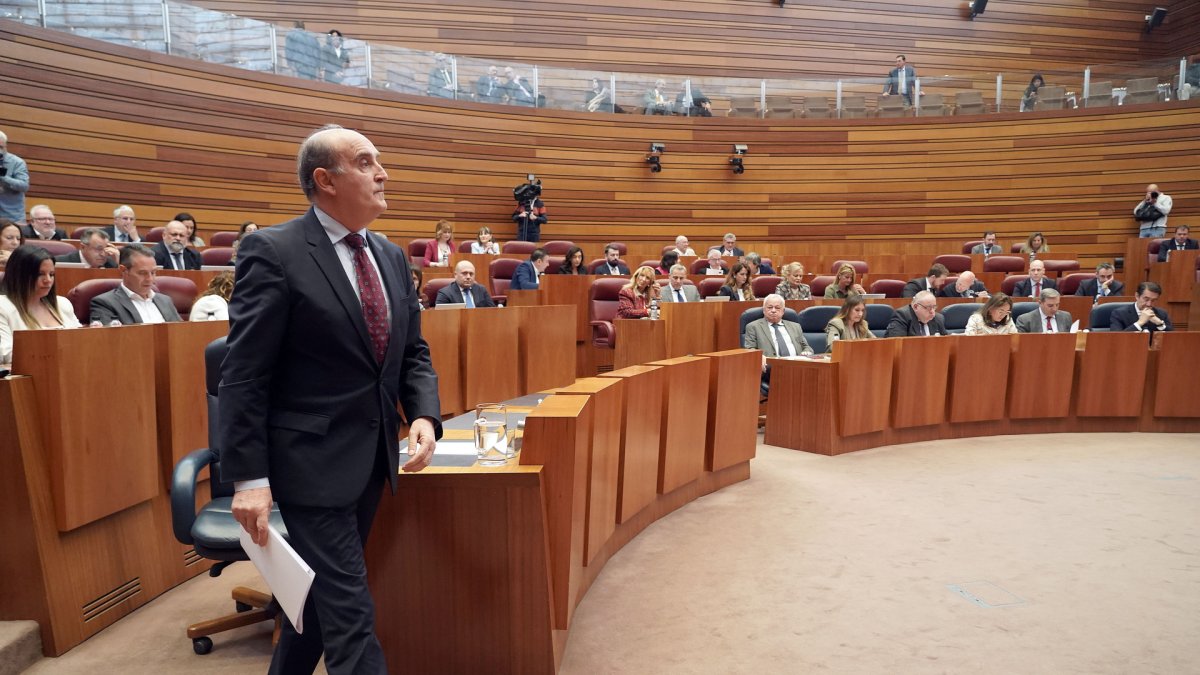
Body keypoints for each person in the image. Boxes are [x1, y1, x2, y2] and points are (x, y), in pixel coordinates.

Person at [222, 125, 440, 675]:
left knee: (321, 605)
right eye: (366, 163)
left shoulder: (389, 256)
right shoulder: (273, 250)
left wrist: (422, 413)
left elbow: (412, 350)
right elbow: (245, 375)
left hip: (370, 461)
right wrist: (248, 480)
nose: (382, 173)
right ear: (325, 180)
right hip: (308, 467)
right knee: (351, 617)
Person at [0, 245, 81, 365]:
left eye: (51, 274)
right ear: (20, 274)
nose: (48, 280)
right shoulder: (3, 306)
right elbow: (6, 355)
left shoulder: (63, 304)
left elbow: (80, 342)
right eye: (40, 274)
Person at [89, 244, 182, 324]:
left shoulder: (165, 300)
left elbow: (181, 333)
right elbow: (108, 340)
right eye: (142, 273)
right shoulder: (105, 303)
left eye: (153, 272)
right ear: (123, 270)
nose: (150, 279)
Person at [743, 294, 812, 390]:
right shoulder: (753, 326)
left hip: (797, 366)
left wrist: (807, 352)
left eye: (777, 308)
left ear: (783, 311)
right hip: (771, 368)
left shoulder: (795, 326)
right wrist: (758, 356)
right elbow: (749, 349)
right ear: (764, 310)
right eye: (770, 307)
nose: (773, 310)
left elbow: (807, 347)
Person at [0, 129, 30, 223]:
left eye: (1, 147)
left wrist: (2, 176)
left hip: (12, 217)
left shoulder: (17, 162)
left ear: (6, 146)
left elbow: (24, 186)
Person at [54, 228, 118, 268]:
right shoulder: (60, 263)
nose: (103, 254)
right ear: (83, 247)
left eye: (106, 248)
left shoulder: (111, 264)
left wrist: (118, 262)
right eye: (99, 249)